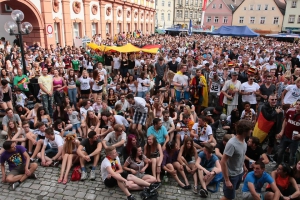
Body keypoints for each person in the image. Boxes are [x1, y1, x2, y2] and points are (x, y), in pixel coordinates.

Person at [220, 120, 254, 200]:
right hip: (231, 175)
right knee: (228, 197)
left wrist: (243, 166)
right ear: (244, 131)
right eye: (250, 129)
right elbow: (223, 161)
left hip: (239, 173)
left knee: (232, 193)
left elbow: (241, 155)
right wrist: (227, 180)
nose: (251, 131)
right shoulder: (232, 144)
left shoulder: (244, 141)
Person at [276, 99, 300, 167]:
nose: (298, 106)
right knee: (280, 152)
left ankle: (291, 168)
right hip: (286, 135)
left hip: (295, 139)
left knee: (292, 155)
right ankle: (279, 165)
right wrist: (282, 131)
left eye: (299, 105)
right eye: (297, 104)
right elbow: (285, 121)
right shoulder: (290, 110)